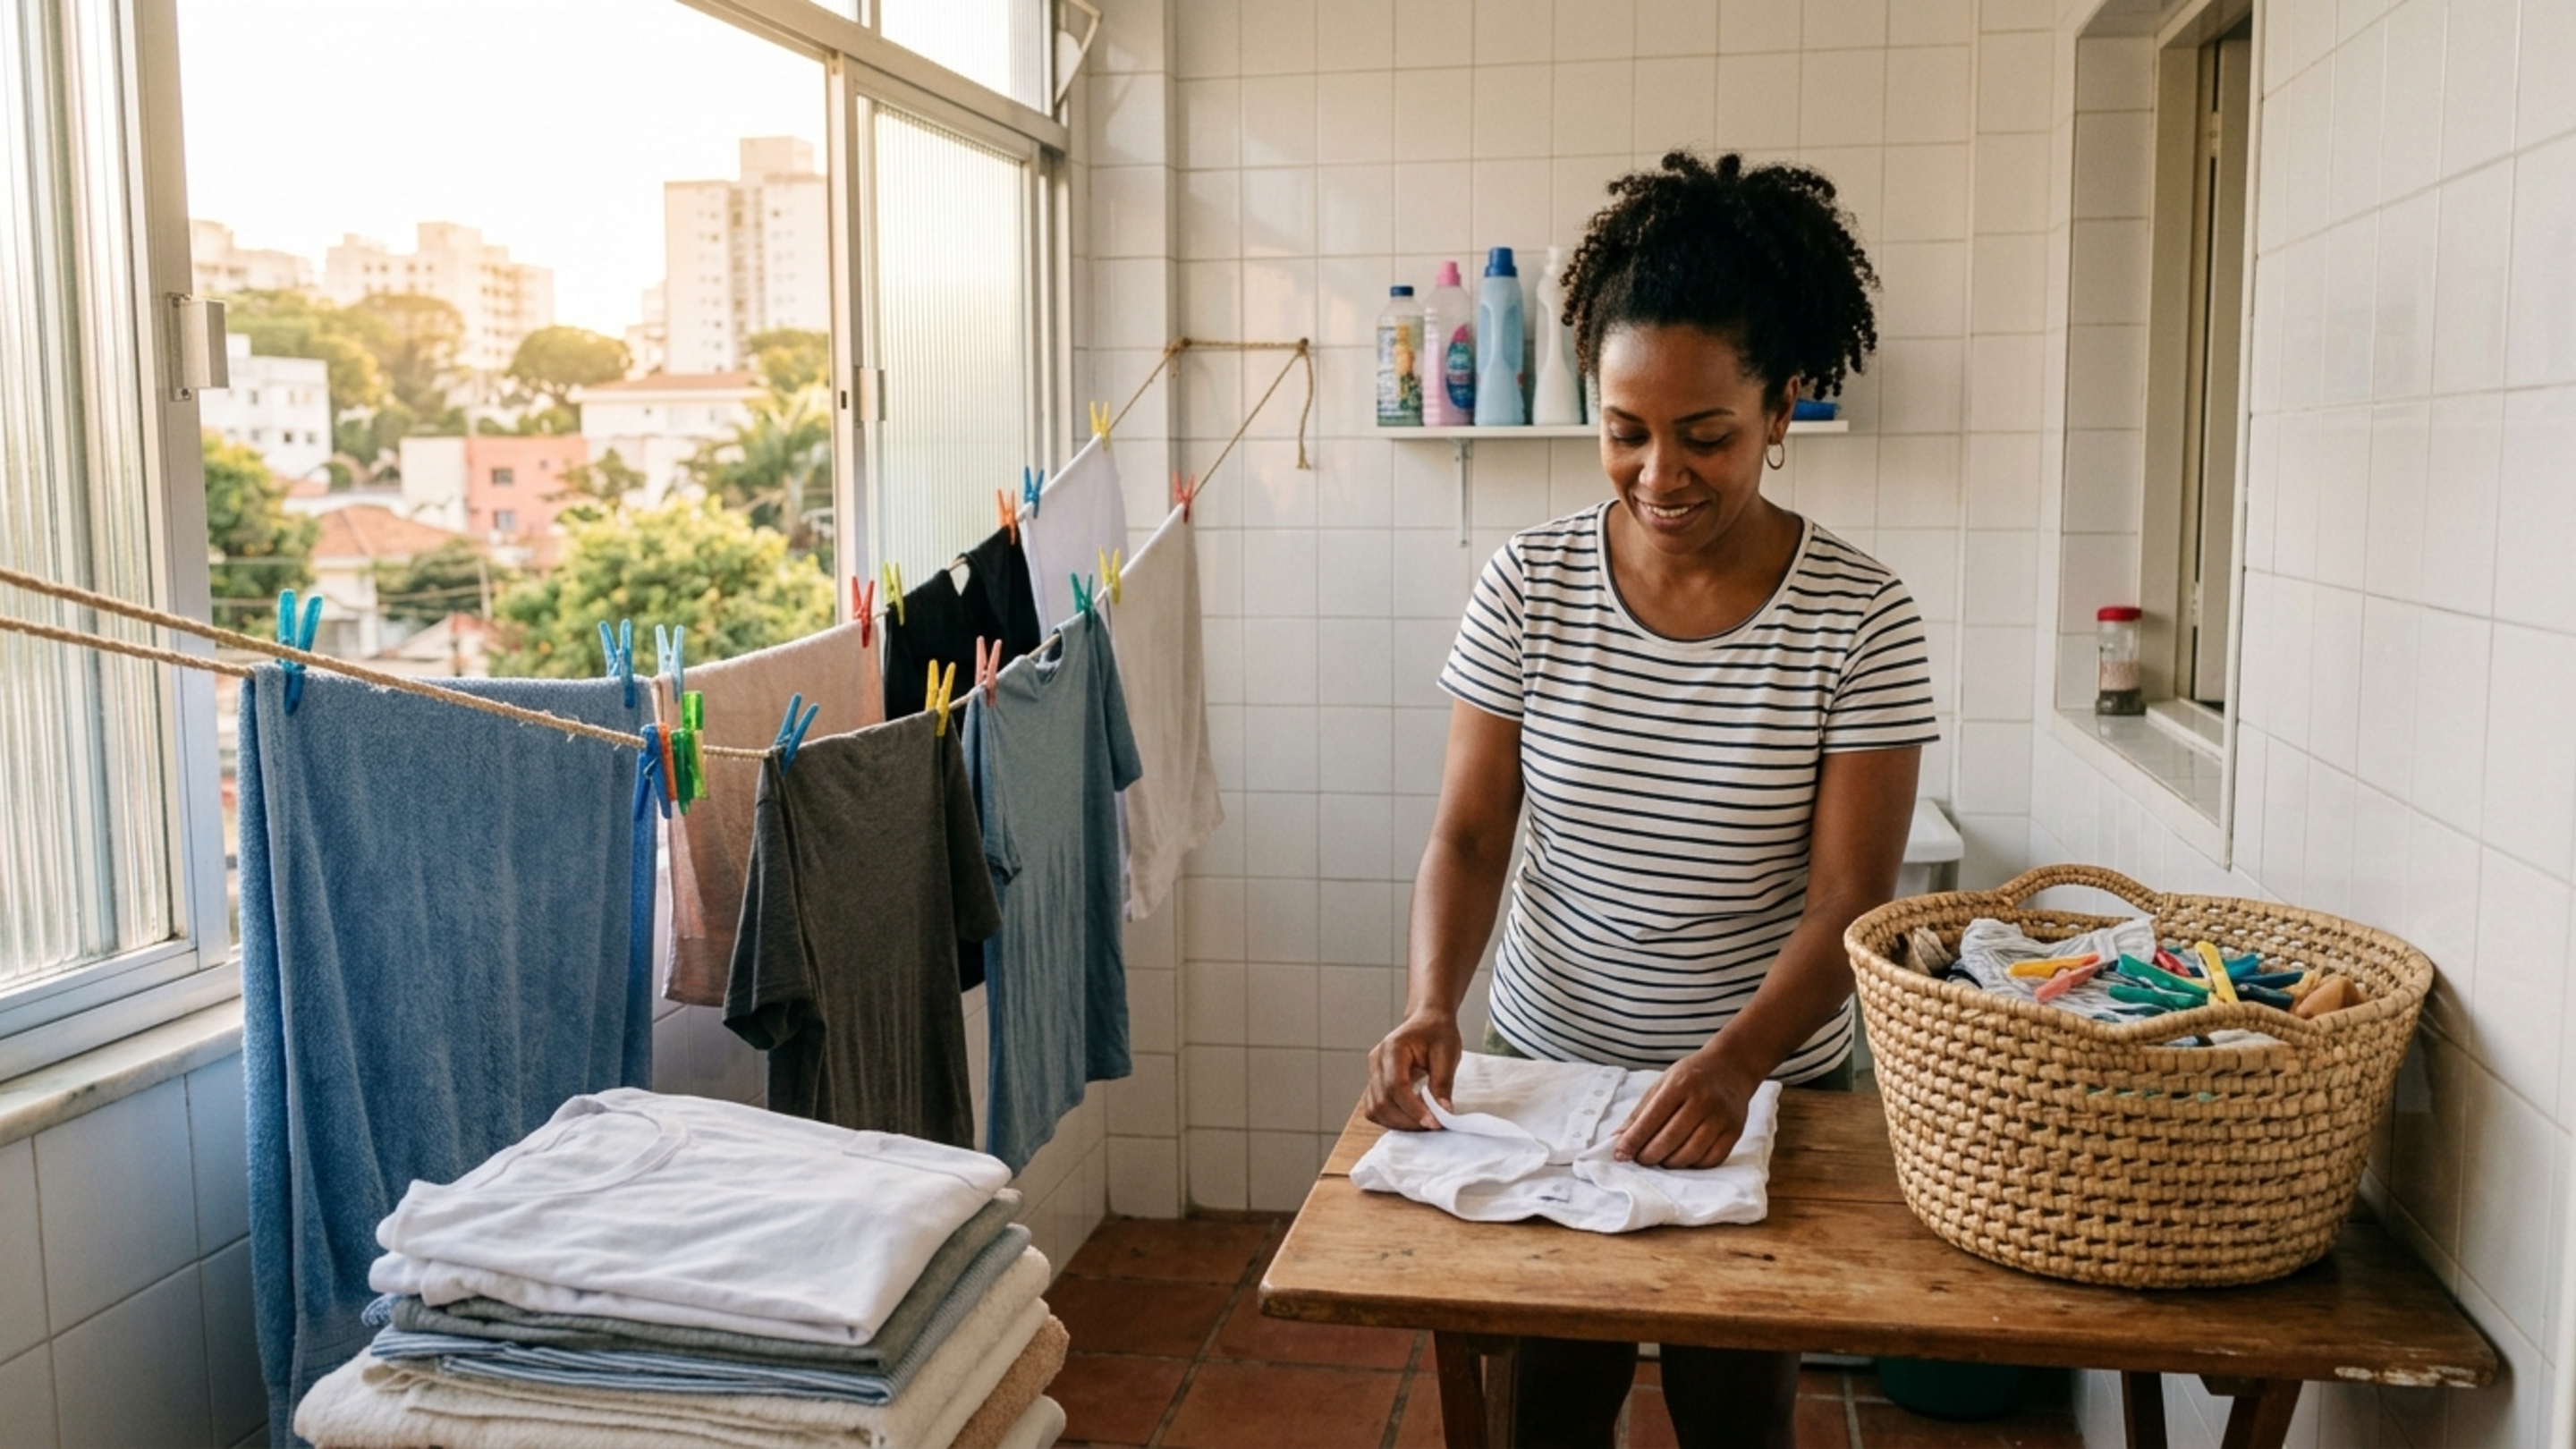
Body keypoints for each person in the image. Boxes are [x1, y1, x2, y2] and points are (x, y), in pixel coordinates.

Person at [1362, 151, 1936, 1449]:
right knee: (1548, 1409)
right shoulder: (1528, 584)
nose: (1659, 472)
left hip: (1764, 1088)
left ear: (1784, 407)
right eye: (1626, 430)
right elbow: (1467, 832)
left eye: (1707, 435)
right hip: (1547, 1072)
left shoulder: (1860, 617)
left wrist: (1735, 1063)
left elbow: (1854, 895)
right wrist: (1431, 1003)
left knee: (1732, 1412)